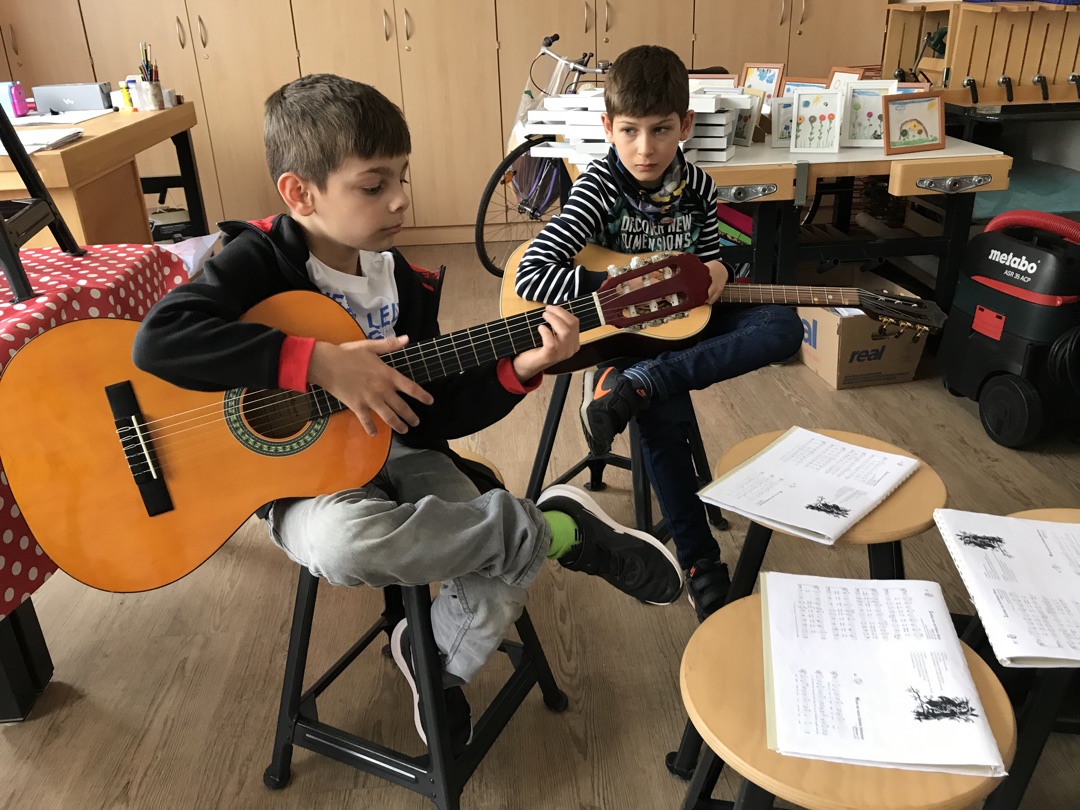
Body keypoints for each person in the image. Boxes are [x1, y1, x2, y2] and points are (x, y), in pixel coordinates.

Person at [131, 74, 683, 755]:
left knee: (489, 551)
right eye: (372, 185)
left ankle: (432, 664)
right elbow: (160, 340)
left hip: (406, 455)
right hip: (304, 485)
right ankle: (555, 530)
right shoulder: (260, 262)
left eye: (403, 177)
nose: (399, 199)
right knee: (348, 546)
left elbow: (432, 415)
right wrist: (318, 363)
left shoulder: (402, 282)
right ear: (300, 193)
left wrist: (523, 367)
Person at [515, 46, 804, 621]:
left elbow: (708, 258)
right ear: (608, 128)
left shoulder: (696, 184)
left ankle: (643, 383)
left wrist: (720, 268)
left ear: (686, 126)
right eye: (629, 131)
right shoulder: (600, 186)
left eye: (661, 130)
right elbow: (532, 272)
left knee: (784, 323)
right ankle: (702, 566)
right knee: (663, 416)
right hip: (620, 337)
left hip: (673, 337)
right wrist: (625, 284)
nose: (644, 148)